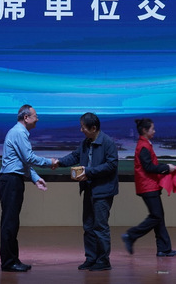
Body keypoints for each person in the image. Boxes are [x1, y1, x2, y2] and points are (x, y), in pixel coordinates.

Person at [55, 112, 119, 271]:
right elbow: (74, 156)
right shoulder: (86, 143)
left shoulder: (108, 142)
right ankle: (91, 258)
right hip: (89, 189)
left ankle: (103, 260)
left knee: (100, 227)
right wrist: (58, 162)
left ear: (94, 128)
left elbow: (111, 165)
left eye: (83, 127)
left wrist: (88, 172)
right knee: (88, 226)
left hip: (103, 191)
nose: (81, 130)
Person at [0, 104, 57, 272]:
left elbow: (23, 162)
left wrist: (35, 178)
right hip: (11, 180)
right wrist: (50, 162)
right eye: (35, 116)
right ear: (26, 117)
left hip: (12, 179)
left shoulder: (18, 132)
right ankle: (9, 262)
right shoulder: (19, 133)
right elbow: (29, 158)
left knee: (12, 221)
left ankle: (12, 259)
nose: (37, 119)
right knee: (10, 222)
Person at [121, 118, 176, 257]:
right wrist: (167, 168)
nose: (154, 131)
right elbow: (148, 167)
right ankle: (131, 235)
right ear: (144, 130)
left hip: (150, 185)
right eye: (152, 129)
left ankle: (164, 249)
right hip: (147, 186)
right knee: (156, 216)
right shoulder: (143, 146)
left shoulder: (145, 144)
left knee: (158, 216)